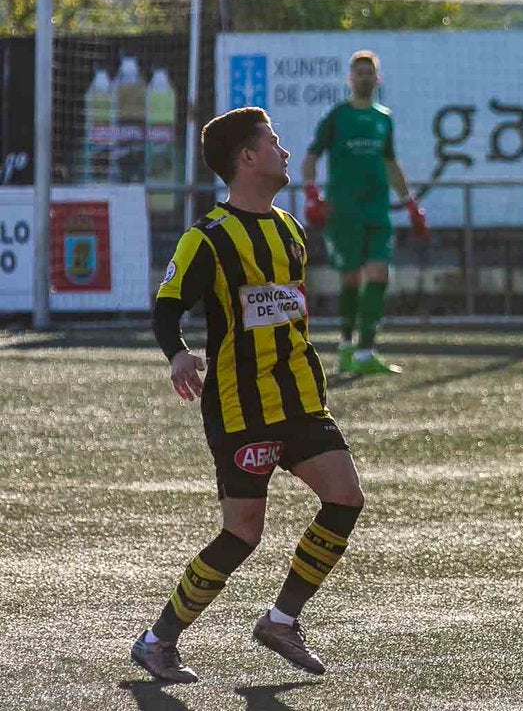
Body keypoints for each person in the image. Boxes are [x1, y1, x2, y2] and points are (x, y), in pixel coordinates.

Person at [131, 107, 366, 683]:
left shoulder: (290, 228)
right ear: (247, 158)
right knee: (243, 533)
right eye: (274, 141)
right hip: (242, 406)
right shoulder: (206, 238)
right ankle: (158, 638)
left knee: (346, 498)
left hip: (302, 398)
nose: (285, 151)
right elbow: (166, 309)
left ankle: (281, 619)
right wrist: (179, 353)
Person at [301, 49, 427, 375]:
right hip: (344, 211)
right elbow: (311, 157)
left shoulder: (383, 118)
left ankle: (366, 351)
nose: (364, 78)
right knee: (351, 277)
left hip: (377, 210)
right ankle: (346, 346)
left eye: (369, 72)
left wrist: (410, 203)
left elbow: (390, 163)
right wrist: (312, 195)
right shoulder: (337, 116)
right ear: (350, 78)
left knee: (379, 273)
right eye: (358, 72)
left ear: (377, 78)